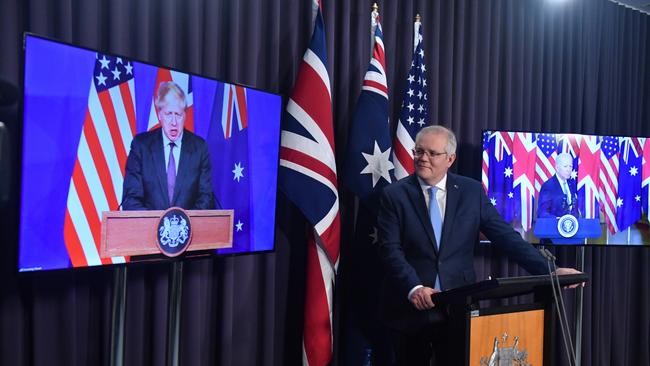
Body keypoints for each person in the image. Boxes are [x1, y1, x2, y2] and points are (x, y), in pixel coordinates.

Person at [376, 125, 580, 365]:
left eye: (432, 153)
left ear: (450, 158)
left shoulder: (470, 191)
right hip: (408, 312)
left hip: (457, 310)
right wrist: (414, 288)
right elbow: (389, 249)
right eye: (419, 151)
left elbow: (505, 236)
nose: (422, 158)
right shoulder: (394, 195)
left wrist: (550, 270)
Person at [122, 81, 214, 210]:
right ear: (160, 115)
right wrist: (159, 225)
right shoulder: (141, 146)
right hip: (149, 229)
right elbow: (131, 199)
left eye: (178, 115)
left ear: (185, 115)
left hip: (189, 229)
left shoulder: (199, 148)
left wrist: (183, 225)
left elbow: (206, 198)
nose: (174, 122)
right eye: (168, 114)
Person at [537, 152, 579, 218]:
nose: (568, 170)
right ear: (557, 168)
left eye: (570, 166)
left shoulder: (571, 184)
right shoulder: (548, 186)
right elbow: (542, 212)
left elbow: (574, 209)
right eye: (565, 166)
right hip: (553, 226)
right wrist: (559, 221)